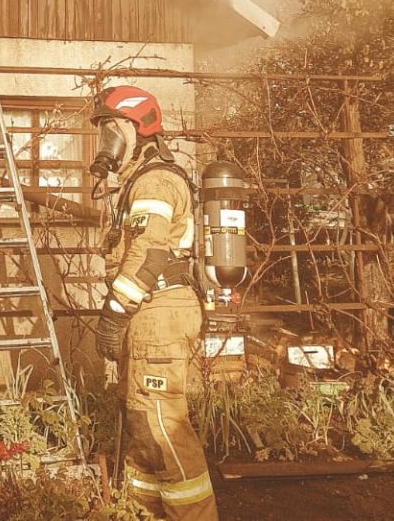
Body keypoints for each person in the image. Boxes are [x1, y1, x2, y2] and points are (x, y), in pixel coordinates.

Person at [89, 85, 217, 521]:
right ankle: (145, 513)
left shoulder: (155, 180)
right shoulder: (137, 182)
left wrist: (113, 315)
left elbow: (148, 254)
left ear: (134, 128)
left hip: (158, 310)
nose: (103, 139)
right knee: (143, 426)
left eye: (109, 127)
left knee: (163, 428)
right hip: (148, 313)